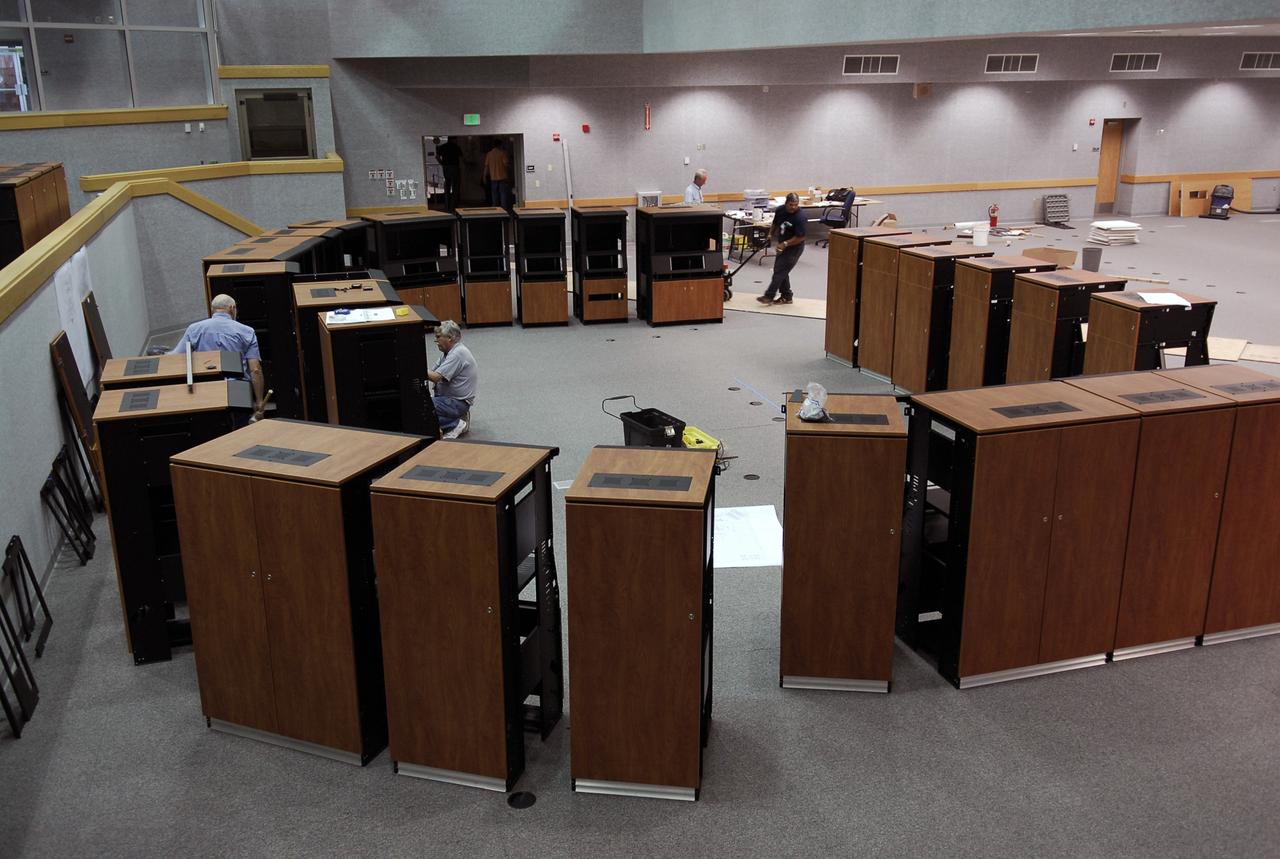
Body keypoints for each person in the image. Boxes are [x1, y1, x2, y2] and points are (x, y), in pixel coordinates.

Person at [170, 294, 266, 419]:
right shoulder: (247, 331)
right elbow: (255, 370)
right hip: (238, 389)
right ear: (232, 308)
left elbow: (176, 357)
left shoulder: (194, 329)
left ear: (212, 309)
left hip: (207, 386)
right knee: (241, 430)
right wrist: (259, 400)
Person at [426, 319, 477, 439]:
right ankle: (457, 418)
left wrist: (416, 366)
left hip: (457, 402)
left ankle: (455, 424)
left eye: (438, 337)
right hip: (450, 400)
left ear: (450, 337)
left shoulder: (457, 354)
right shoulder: (448, 353)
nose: (436, 341)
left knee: (423, 407)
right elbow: (432, 372)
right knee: (423, 406)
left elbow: (435, 377)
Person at [757, 192, 808, 305]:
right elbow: (775, 223)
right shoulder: (780, 210)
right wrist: (770, 234)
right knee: (780, 270)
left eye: (796, 204)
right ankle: (787, 296)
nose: (793, 207)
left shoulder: (800, 217)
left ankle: (769, 296)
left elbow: (801, 237)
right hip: (783, 245)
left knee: (780, 271)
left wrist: (785, 243)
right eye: (791, 204)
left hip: (795, 247)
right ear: (786, 203)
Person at [482, 139, 512, 211]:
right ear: (500, 145)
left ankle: (495, 212)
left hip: (493, 179)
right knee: (503, 197)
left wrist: (484, 177)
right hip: (502, 178)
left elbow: (486, 166)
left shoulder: (489, 154)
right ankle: (504, 212)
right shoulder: (502, 153)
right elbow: (506, 164)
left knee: (494, 197)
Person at [434, 136, 462, 210]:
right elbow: (462, 158)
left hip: (446, 168)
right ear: (453, 139)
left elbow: (437, 157)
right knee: (455, 187)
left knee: (447, 186)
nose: (456, 140)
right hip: (455, 168)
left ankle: (447, 206)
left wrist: (443, 164)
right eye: (455, 139)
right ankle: (453, 207)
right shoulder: (456, 147)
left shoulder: (443, 147)